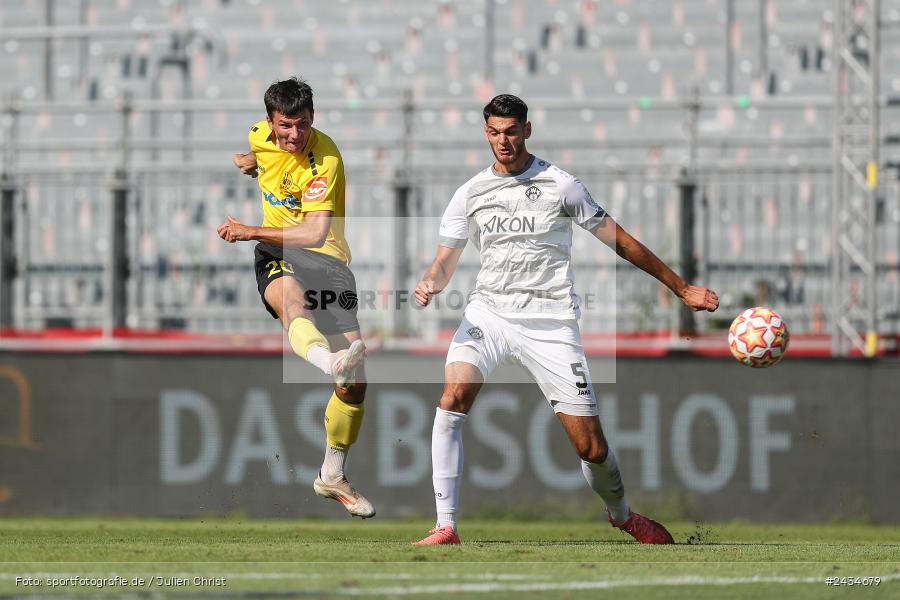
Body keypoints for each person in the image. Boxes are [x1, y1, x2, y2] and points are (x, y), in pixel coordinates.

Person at [413, 94, 719, 545]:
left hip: (550, 323)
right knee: (453, 397)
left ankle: (621, 514)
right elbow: (444, 261)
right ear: (486, 133)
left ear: (527, 130)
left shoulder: (561, 186)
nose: (504, 141)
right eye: (495, 132)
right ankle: (446, 526)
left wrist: (680, 288)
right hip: (489, 314)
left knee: (590, 448)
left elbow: (621, 241)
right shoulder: (470, 194)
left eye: (512, 131)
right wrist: (431, 281)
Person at [217, 77, 374, 518]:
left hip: (327, 261)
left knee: (356, 384)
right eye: (285, 126)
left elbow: (314, 231)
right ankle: (330, 363)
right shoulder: (260, 136)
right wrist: (250, 161)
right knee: (293, 306)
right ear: (270, 122)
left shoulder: (325, 158)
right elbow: (260, 153)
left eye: (303, 125)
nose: (294, 135)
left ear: (313, 120)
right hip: (279, 250)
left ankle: (331, 475)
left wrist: (249, 229)